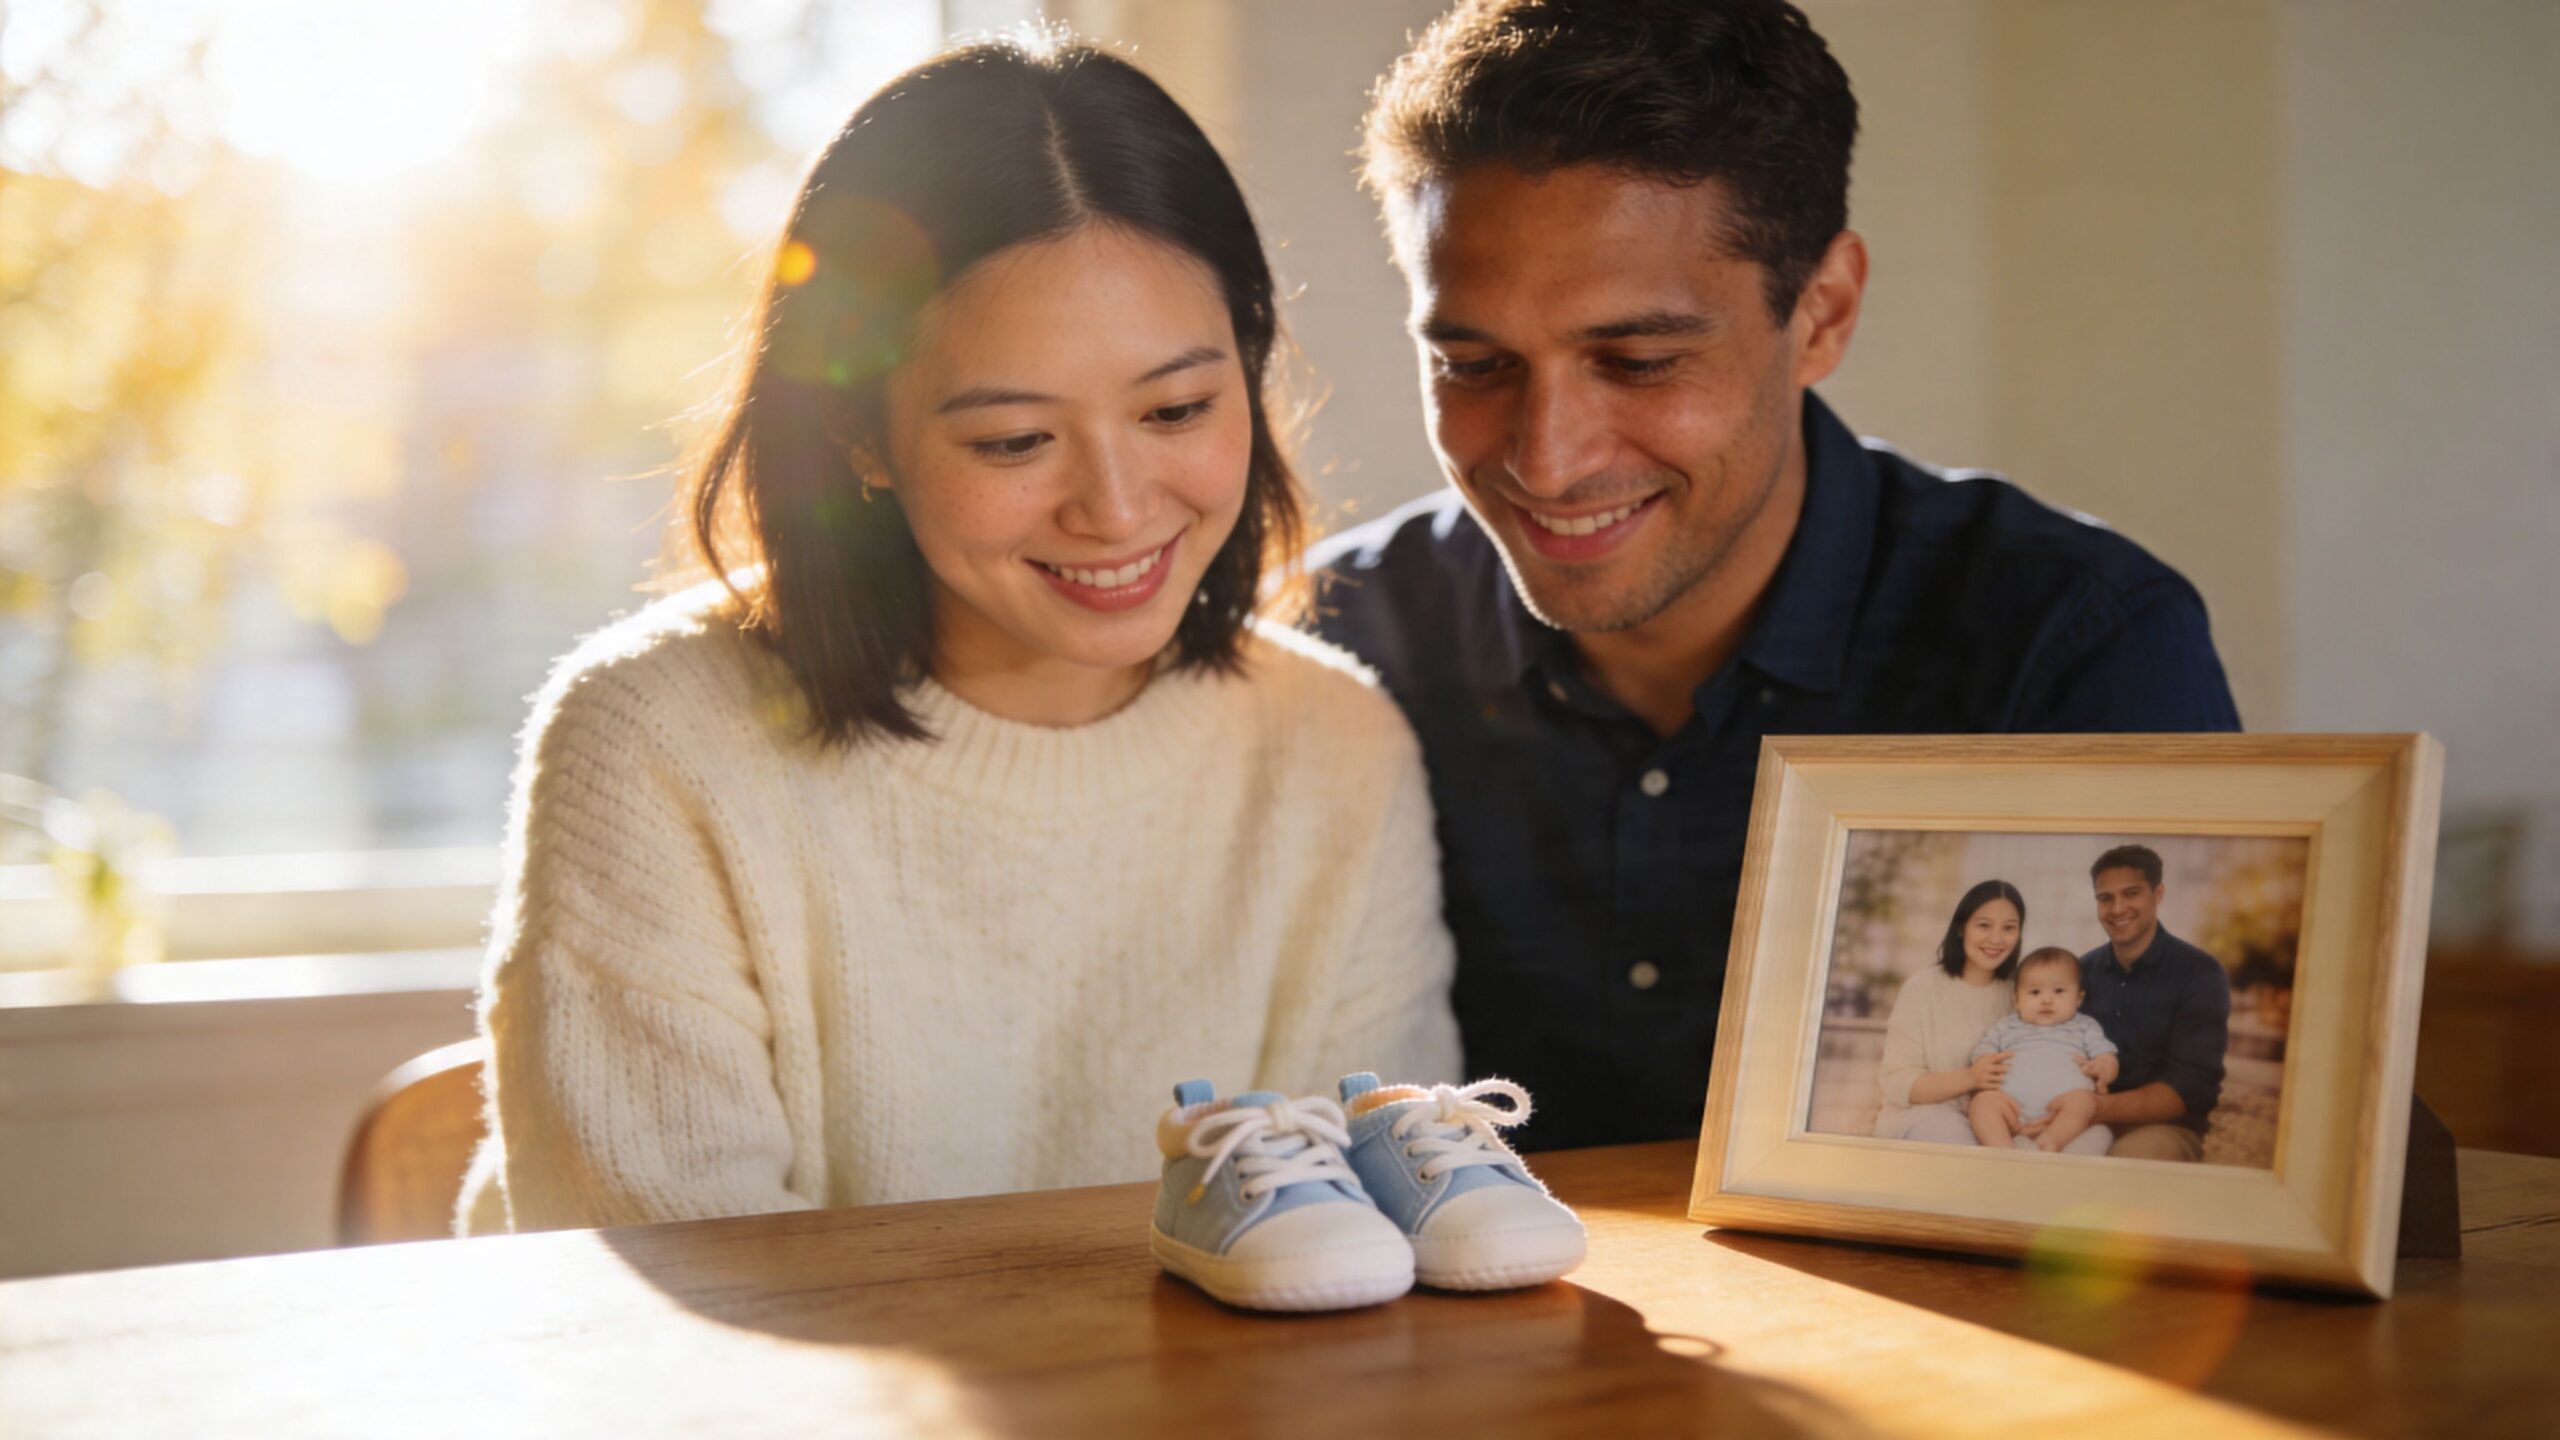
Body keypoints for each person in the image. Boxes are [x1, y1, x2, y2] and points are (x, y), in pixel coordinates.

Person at [457, 37, 1460, 1235]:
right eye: (1013, 441)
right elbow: (678, 1308)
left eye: (1177, 409)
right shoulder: (654, 743)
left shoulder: (1334, 745)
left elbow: (1379, 1236)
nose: (1118, 507)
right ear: (859, 440)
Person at [1308, 0, 2241, 1151]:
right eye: (1471, 362)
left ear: (1824, 313)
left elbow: (2165, 1136)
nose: (1545, 459)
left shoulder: (2072, 642)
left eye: (1638, 360)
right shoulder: (1328, 646)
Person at [2073, 844, 2231, 1162]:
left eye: (2131, 894)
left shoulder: (2200, 973)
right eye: (2105, 898)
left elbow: (2190, 1087)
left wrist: (2094, 1109)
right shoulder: (2081, 971)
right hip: (2079, 1116)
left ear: (2157, 893)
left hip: (2159, 1128)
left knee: (2125, 1166)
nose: (2117, 908)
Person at [1872, 881, 2024, 1147]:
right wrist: (1971, 1077)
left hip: (1996, 1119)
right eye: (1984, 925)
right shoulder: (1923, 987)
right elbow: (1897, 1083)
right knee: (1955, 1137)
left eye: (2009, 928)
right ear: (1960, 928)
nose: (1996, 939)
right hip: (1925, 1115)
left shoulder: (2021, 992)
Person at [1967, 947, 2118, 1156]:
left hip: (2063, 1113)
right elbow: (1984, 1051)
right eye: (2035, 992)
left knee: (2085, 1103)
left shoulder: (2085, 1026)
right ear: (2017, 1001)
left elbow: (2107, 1055)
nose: (2047, 1000)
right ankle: (2003, 1153)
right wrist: (1984, 1061)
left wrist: (2103, 1068)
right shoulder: (2006, 1026)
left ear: (2078, 999)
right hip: (2012, 1110)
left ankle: (2050, 1142)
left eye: (2059, 991)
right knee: (1982, 1103)